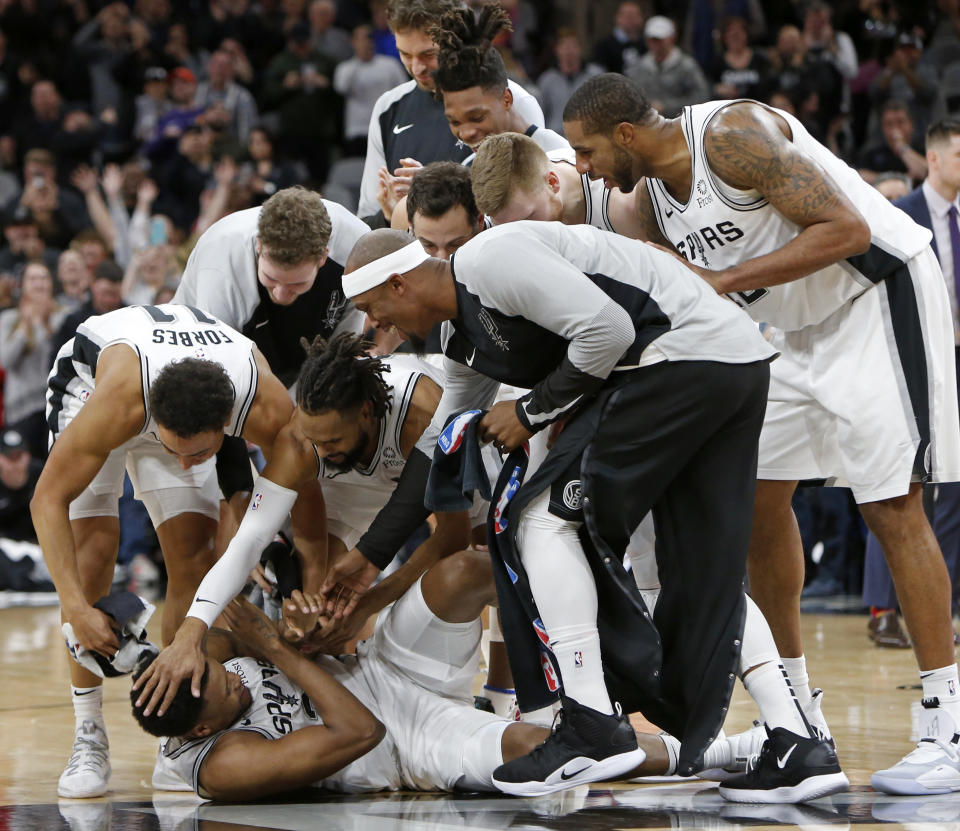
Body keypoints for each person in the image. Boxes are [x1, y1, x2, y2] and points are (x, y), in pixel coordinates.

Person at [337, 226, 844, 802]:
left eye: (370, 308)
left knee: (543, 522)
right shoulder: (461, 341)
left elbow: (609, 330)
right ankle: (795, 739)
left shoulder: (489, 258)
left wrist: (529, 410)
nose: (376, 325)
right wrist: (366, 559)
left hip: (675, 360)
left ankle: (592, 723)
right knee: (694, 563)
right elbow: (438, 453)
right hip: (727, 363)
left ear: (398, 282)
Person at [561, 73, 960, 795]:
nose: (585, 166)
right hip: (789, 330)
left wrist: (721, 281)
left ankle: (949, 726)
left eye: (587, 151)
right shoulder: (648, 197)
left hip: (874, 295)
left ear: (624, 134)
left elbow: (849, 230)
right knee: (757, 508)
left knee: (890, 506)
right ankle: (800, 726)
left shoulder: (730, 137)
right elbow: (556, 198)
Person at [33, 303, 321, 799]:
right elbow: (46, 499)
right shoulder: (121, 403)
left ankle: (177, 725)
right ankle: (88, 731)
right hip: (94, 383)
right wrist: (77, 607)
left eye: (200, 454)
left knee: (192, 556)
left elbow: (306, 484)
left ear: (229, 427)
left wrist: (310, 573)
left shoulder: (264, 403)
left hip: (188, 386)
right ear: (154, 423)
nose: (185, 461)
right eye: (174, 450)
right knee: (93, 555)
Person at [135, 556, 713, 800]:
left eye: (218, 673)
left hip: (382, 665)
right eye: (224, 690)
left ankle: (607, 646)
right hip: (407, 745)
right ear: (203, 725)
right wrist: (277, 654)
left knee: (468, 569)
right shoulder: (222, 765)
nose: (233, 680)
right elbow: (362, 733)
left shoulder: (193, 675)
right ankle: (727, 750)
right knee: (545, 748)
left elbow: (217, 613)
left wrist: (294, 634)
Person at [131, 333, 473, 716]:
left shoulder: (421, 411)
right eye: (313, 439)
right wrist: (191, 632)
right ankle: (330, 698)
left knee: (480, 553)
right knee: (325, 605)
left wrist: (370, 603)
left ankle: (492, 694)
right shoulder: (302, 440)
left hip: (451, 447)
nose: (319, 452)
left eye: (329, 440)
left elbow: (451, 536)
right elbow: (249, 540)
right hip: (360, 474)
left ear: (364, 413)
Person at [862, 118, 960, 649]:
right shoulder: (901, 215)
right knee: (903, 484)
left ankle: (937, 610)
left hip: (957, 360)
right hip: (913, 360)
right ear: (936, 159)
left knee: (955, 489)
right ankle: (882, 608)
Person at [356, 0, 543, 225]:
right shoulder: (388, 107)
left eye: (428, 54)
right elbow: (368, 220)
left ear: (458, 40)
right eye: (405, 54)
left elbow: (525, 213)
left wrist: (432, 193)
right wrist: (393, 215)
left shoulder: (511, 102)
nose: (417, 68)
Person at [172, 186, 369, 388]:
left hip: (302, 352)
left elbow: (344, 351)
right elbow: (214, 368)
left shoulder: (357, 246)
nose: (281, 294)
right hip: (196, 351)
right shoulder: (221, 259)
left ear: (323, 257)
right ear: (259, 245)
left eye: (297, 283)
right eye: (270, 278)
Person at [430, 5, 569, 164]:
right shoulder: (470, 167)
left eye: (477, 117)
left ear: (507, 99)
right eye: (455, 122)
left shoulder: (560, 159)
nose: (466, 133)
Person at [469, 132, 642, 234]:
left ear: (552, 183)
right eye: (507, 231)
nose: (522, 236)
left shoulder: (623, 201)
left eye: (528, 219)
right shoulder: (496, 222)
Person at [0, 261, 66, 458]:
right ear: (24, 285)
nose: (39, 283)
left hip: (55, 407)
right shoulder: (10, 318)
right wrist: (24, 327)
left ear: (51, 283)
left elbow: (58, 358)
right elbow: (5, 360)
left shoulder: (63, 317)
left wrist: (42, 325)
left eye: (44, 278)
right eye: (33, 278)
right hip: (20, 409)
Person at [333, 25, 408, 158]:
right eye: (360, 39)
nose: (365, 42)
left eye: (367, 38)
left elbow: (404, 92)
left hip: (386, 128)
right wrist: (358, 60)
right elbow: (341, 88)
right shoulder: (346, 68)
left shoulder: (390, 65)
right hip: (358, 130)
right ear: (353, 42)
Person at [625, 16, 710, 119]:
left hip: (679, 123)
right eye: (652, 39)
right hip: (646, 125)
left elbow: (702, 96)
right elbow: (628, 97)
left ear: (672, 37)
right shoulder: (638, 67)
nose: (656, 43)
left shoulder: (687, 66)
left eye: (660, 39)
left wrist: (666, 107)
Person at [0, 427, 42, 542]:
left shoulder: (41, 476)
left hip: (38, 544)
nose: (15, 465)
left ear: (27, 456)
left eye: (18, 457)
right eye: (10, 458)